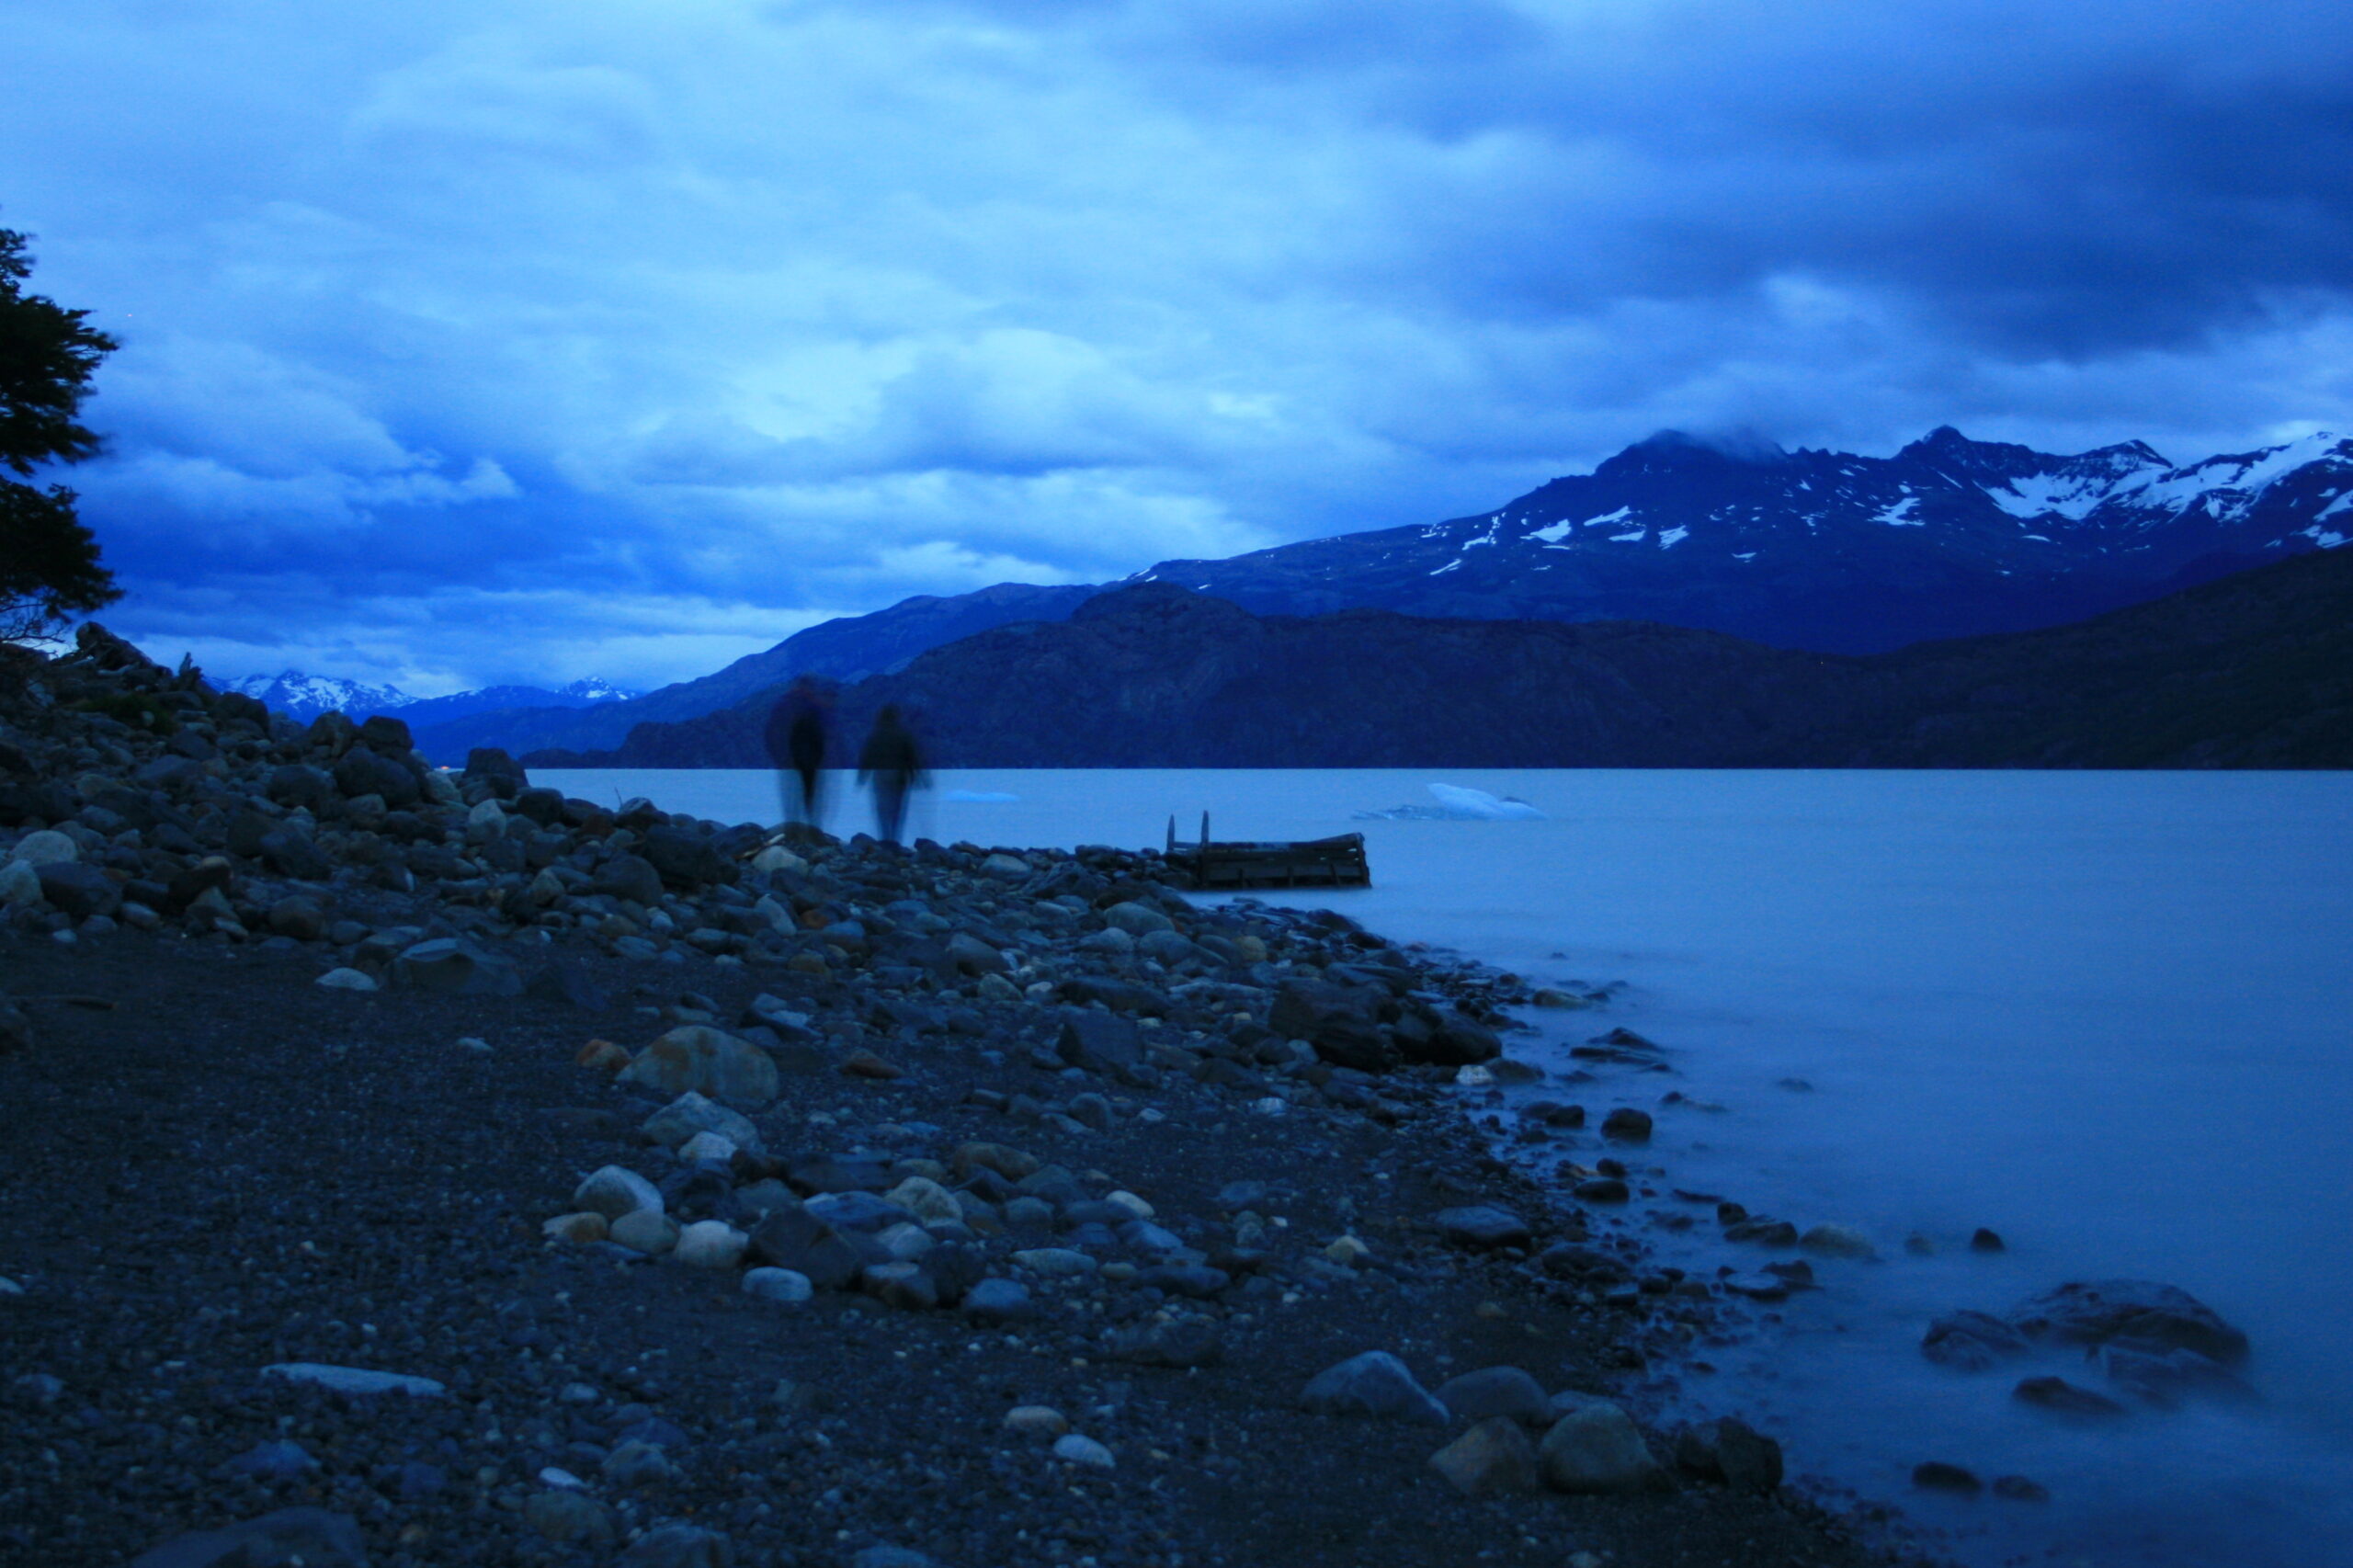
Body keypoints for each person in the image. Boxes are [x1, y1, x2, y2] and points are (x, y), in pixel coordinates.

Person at [764, 676, 833, 828]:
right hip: (803, 761)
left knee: (796, 800)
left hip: (796, 761)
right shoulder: (812, 706)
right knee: (807, 799)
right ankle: (808, 833)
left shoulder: (786, 704)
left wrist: (779, 756)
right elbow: (823, 735)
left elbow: (771, 733)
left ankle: (798, 833)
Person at [856, 704, 928, 845]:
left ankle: (885, 838)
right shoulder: (903, 734)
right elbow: (912, 756)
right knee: (897, 809)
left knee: (882, 808)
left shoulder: (876, 734)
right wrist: (920, 777)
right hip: (899, 776)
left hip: (881, 775)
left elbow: (867, 756)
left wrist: (862, 777)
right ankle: (895, 839)